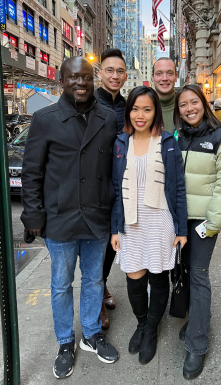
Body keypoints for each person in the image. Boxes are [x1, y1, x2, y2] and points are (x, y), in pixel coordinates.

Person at [21, 57, 119, 379]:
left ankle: (91, 333)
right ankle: (66, 341)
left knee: (94, 280)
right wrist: (33, 214)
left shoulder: (107, 118)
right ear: (61, 79)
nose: (81, 83)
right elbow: (32, 172)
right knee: (61, 285)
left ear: (94, 80)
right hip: (60, 221)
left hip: (97, 217)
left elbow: (114, 170)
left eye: (87, 78)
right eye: (74, 77)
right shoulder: (44, 118)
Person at [110, 86, 188, 365]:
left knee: (157, 277)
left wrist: (182, 230)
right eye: (135, 108)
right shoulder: (120, 142)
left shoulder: (167, 141)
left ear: (156, 112)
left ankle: (152, 329)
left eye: (147, 109)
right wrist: (114, 228)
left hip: (160, 221)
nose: (140, 115)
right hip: (131, 222)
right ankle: (142, 323)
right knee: (134, 277)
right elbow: (115, 190)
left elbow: (178, 188)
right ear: (128, 111)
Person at [173, 84, 221, 380]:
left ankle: (197, 344)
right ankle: (197, 321)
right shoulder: (177, 136)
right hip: (178, 220)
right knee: (184, 271)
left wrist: (211, 224)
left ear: (204, 103)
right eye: (183, 105)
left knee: (198, 274)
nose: (189, 109)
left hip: (202, 223)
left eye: (194, 102)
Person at [95, 48, 127, 329]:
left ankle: (102, 283)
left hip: (121, 184)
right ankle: (96, 297)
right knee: (97, 242)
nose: (115, 76)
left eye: (119, 71)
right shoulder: (88, 102)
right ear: (100, 72)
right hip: (94, 184)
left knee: (113, 241)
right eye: (110, 70)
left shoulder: (129, 106)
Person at [152, 57, 178, 132]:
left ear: (176, 77)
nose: (164, 78)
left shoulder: (187, 107)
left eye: (170, 73)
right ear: (153, 77)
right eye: (159, 73)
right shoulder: (141, 108)